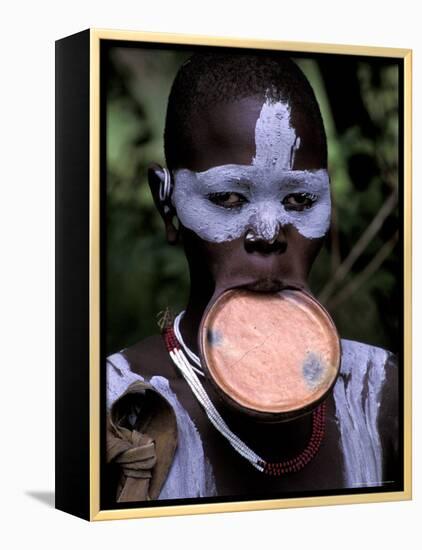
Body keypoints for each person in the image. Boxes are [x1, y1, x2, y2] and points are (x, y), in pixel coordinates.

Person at [105, 52, 399, 504]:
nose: (267, 233)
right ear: (167, 204)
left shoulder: (381, 391)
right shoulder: (113, 403)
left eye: (301, 199)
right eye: (227, 197)